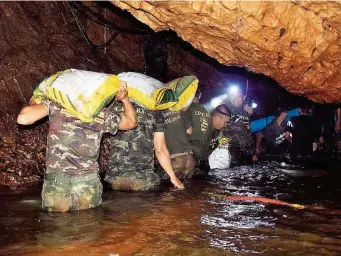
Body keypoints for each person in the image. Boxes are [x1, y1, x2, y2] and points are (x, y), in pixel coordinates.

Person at [17, 82, 137, 212]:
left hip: (58, 184)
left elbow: (23, 119)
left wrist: (38, 100)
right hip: (87, 183)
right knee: (87, 226)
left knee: (56, 228)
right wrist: (125, 99)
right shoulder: (102, 114)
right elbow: (131, 122)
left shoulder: (56, 105)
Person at [105, 102, 184, 191]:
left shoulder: (111, 109)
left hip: (115, 178)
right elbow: (160, 150)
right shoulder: (155, 112)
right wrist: (173, 177)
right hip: (143, 178)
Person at [222, 87, 256, 165]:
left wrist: (253, 152)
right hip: (227, 146)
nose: (235, 99)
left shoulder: (247, 110)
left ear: (243, 97)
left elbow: (248, 132)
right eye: (232, 96)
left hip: (245, 148)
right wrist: (222, 148)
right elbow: (220, 129)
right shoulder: (225, 109)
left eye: (238, 96)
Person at [183, 90, 213, 174]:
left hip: (191, 155)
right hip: (204, 157)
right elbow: (209, 138)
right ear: (199, 96)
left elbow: (187, 130)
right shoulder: (208, 113)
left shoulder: (187, 109)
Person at [161, 108, 195, 181]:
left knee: (173, 187)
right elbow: (189, 131)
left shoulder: (158, 114)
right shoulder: (180, 111)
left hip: (175, 157)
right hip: (189, 156)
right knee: (188, 187)